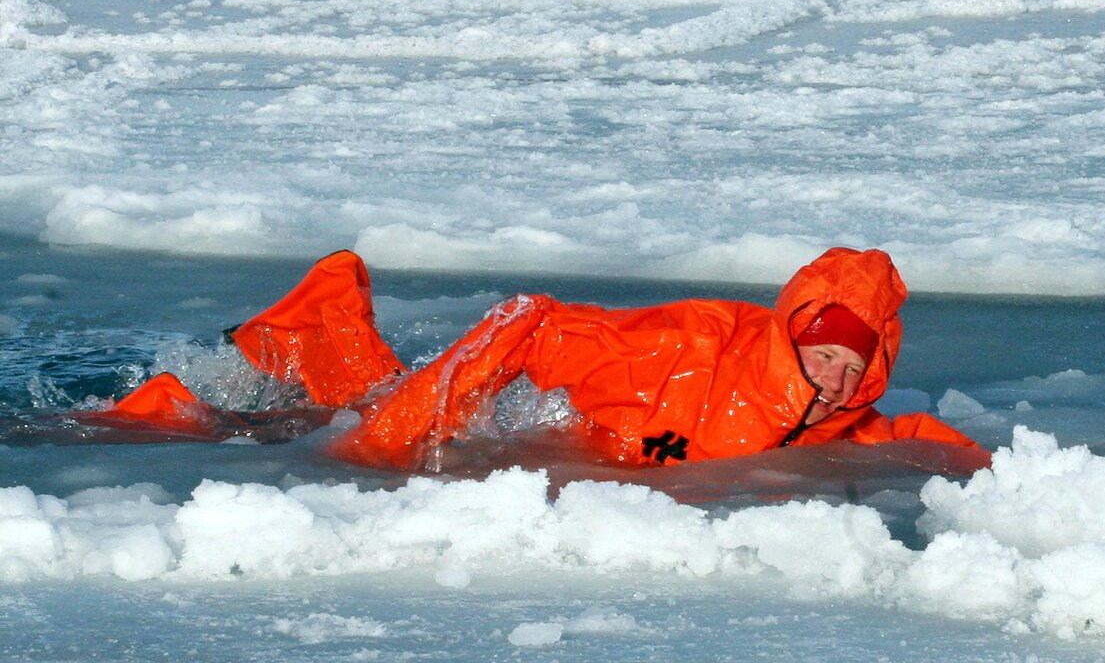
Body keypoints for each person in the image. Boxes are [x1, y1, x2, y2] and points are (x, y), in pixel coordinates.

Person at [98, 247, 985, 469]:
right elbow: (534, 322)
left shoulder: (843, 422)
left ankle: (322, 324)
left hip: (586, 453)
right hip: (546, 421)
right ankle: (173, 414)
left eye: (851, 366)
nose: (834, 375)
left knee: (387, 411)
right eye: (822, 352)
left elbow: (905, 440)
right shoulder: (684, 352)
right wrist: (386, 442)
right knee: (359, 431)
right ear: (793, 332)